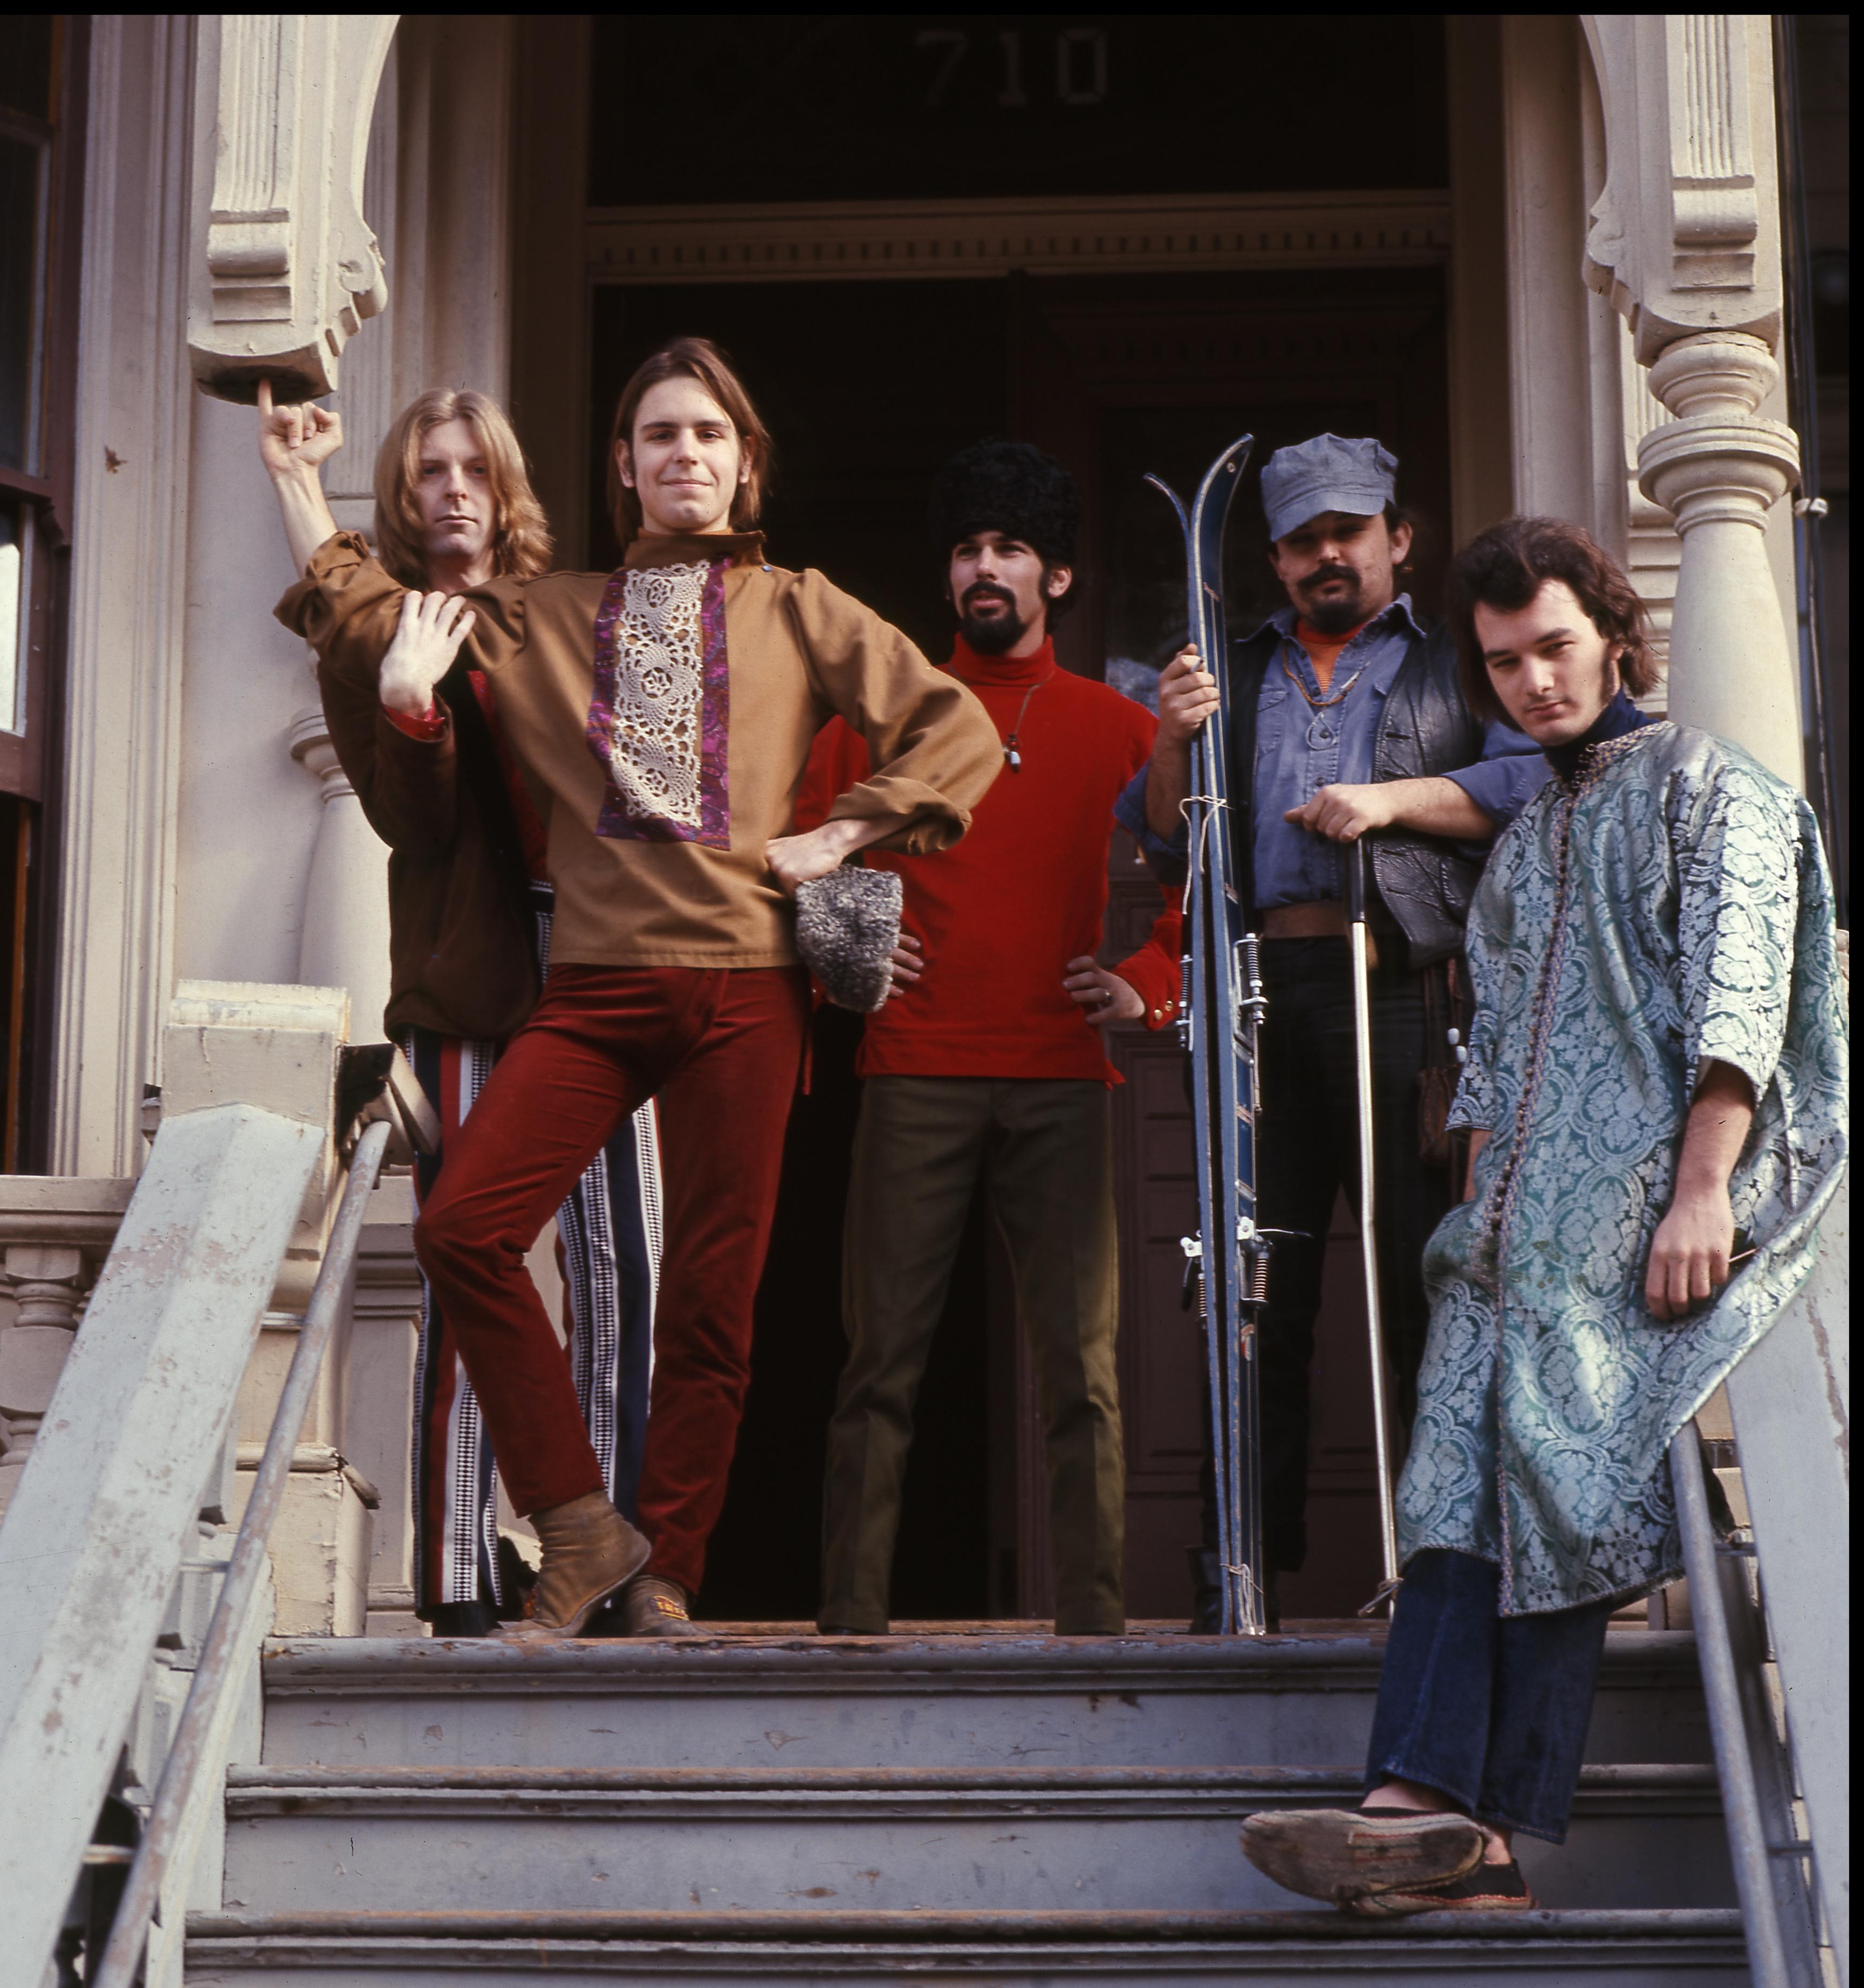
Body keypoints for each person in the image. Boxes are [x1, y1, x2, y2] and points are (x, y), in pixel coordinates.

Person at [270, 337, 1001, 1637]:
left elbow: (958, 728)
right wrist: (300, 490)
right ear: (624, 466)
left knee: (712, 1302)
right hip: (597, 990)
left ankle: (670, 1569)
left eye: (711, 437)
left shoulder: (803, 606)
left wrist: (843, 834)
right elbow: (386, 623)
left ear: (746, 462)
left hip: (749, 992)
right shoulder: (548, 613)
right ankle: (581, 1524)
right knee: (466, 1231)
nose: (687, 457)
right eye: (662, 437)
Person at [1241, 516, 1847, 1913]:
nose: (1532, 682)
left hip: (1665, 1214)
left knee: (1559, 1460)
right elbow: (1500, 1047)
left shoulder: (1715, 788)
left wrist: (1703, 1185)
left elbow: (1741, 995)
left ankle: (1475, 1819)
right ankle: (1429, 1814)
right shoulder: (1530, 837)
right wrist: (1473, 1208)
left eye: (1555, 648)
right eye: (1504, 662)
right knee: (1456, 1472)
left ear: (1616, 637)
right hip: (1518, 1239)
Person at [1117, 434, 1548, 1627]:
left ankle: (1443, 1575)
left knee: (1425, 1282)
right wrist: (1169, 734)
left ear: (1396, 539)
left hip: (1403, 993)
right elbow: (1159, 839)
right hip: (1260, 996)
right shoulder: (1230, 668)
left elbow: (1523, 783)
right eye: (1304, 539)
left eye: (1347, 531)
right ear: (1275, 557)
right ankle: (1237, 1574)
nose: (1326, 556)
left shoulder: (1455, 661)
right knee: (1259, 1290)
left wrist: (1389, 800)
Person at [256, 380, 663, 1637]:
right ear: (402, 490)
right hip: (470, 974)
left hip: (605, 964)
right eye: (430, 470)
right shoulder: (377, 642)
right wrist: (403, 703)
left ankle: (615, 1559)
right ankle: (454, 1573)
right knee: (468, 1271)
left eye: (474, 469)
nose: (452, 490)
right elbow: (409, 819)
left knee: (623, 1274)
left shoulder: (566, 615)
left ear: (507, 487)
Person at [800, 439, 1184, 1637]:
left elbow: (1191, 889)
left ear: (1054, 578)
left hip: (1062, 1078)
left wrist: (1145, 980)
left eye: (1010, 549)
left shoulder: (1122, 727)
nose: (984, 568)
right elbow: (798, 867)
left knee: (1086, 1375)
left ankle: (1096, 1627)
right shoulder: (883, 717)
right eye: (969, 548)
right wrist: (854, 953)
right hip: (914, 1071)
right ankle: (852, 1623)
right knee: (881, 1370)